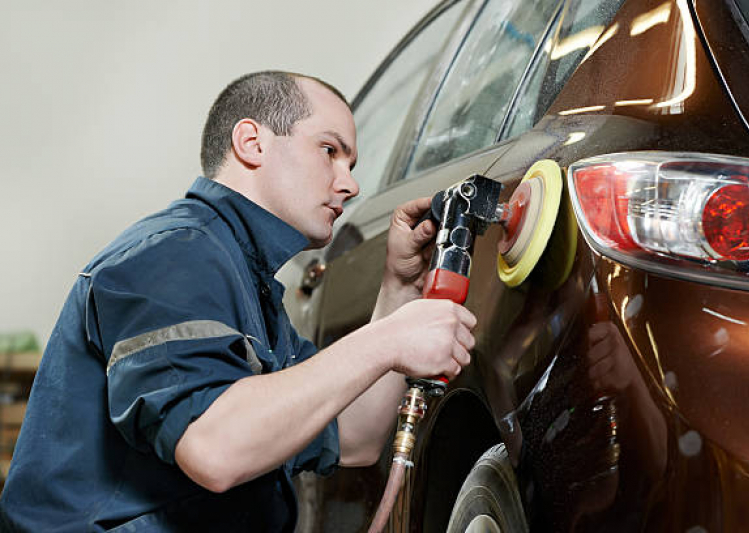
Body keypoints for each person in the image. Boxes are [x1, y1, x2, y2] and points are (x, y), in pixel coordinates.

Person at [0, 71, 476, 532]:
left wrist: (400, 287)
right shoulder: (174, 255)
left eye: (350, 166)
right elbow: (215, 448)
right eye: (329, 151)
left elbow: (354, 436)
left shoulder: (245, 280)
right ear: (252, 142)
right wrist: (387, 340)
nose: (350, 185)